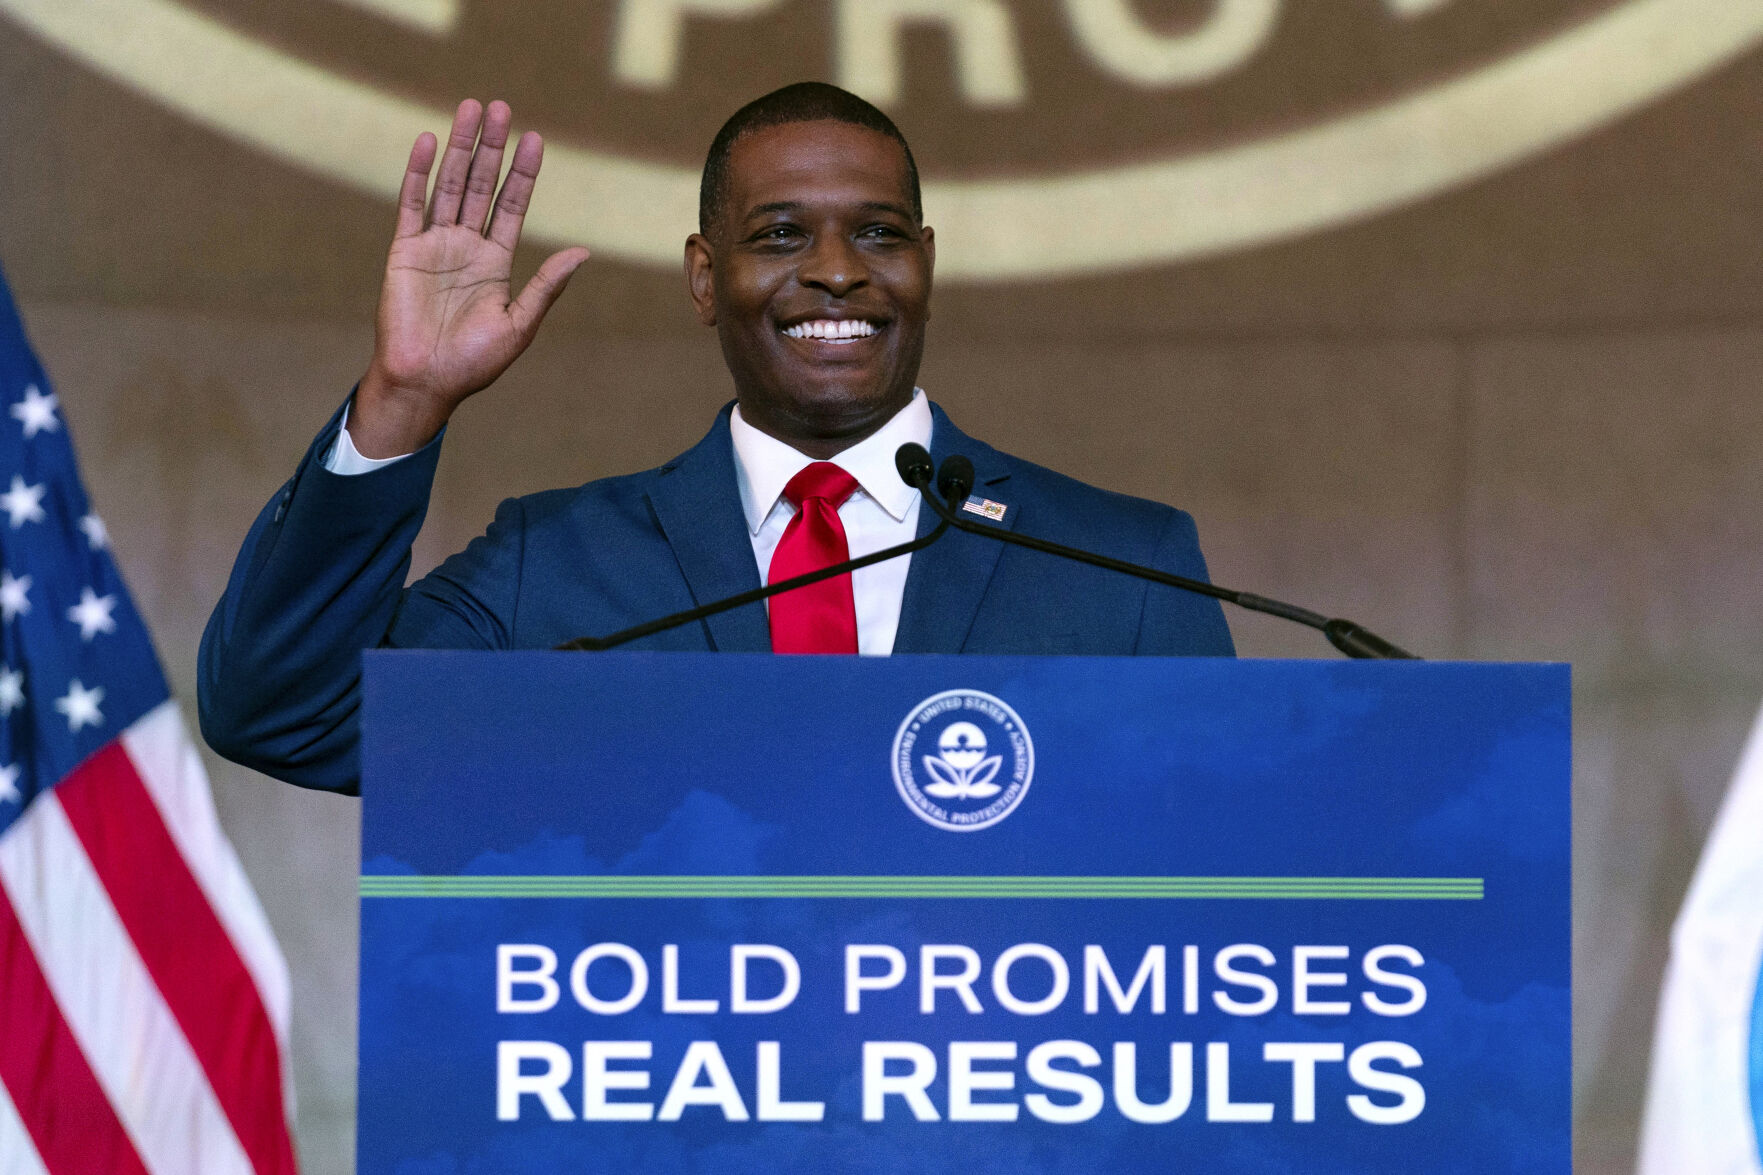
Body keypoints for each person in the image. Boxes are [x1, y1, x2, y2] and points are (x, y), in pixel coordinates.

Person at [198, 83, 1234, 795]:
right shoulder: (552, 567)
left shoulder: (1123, 569)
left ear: (925, 264)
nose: (836, 269)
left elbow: (1216, 884)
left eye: (877, 233)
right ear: (705, 277)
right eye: (779, 235)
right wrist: (402, 401)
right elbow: (288, 711)